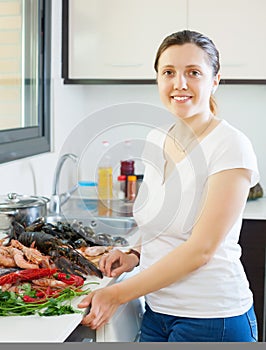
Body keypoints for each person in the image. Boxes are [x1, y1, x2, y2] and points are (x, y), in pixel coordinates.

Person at [78, 30, 260, 342]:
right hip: (157, 313)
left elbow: (200, 250)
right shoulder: (157, 139)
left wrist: (117, 294)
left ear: (214, 80)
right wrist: (134, 252)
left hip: (213, 319)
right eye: (169, 72)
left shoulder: (230, 146)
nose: (180, 84)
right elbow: (160, 223)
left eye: (194, 73)